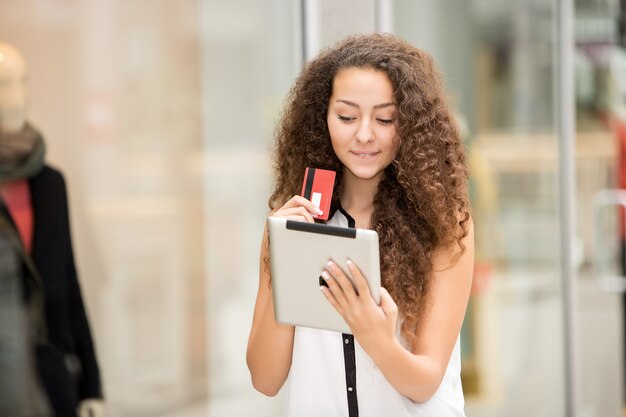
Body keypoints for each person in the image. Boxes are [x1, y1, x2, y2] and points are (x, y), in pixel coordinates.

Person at [246, 33, 474, 417]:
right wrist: (283, 258)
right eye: (347, 117)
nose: (364, 134)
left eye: (385, 118)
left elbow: (425, 382)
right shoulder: (293, 223)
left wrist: (376, 337)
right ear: (323, 118)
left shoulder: (444, 226)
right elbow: (265, 380)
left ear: (411, 124)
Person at [0, 41, 104, 417]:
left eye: (22, 82)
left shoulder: (49, 183)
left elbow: (69, 285)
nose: (16, 98)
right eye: (3, 85)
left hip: (50, 383)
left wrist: (91, 386)